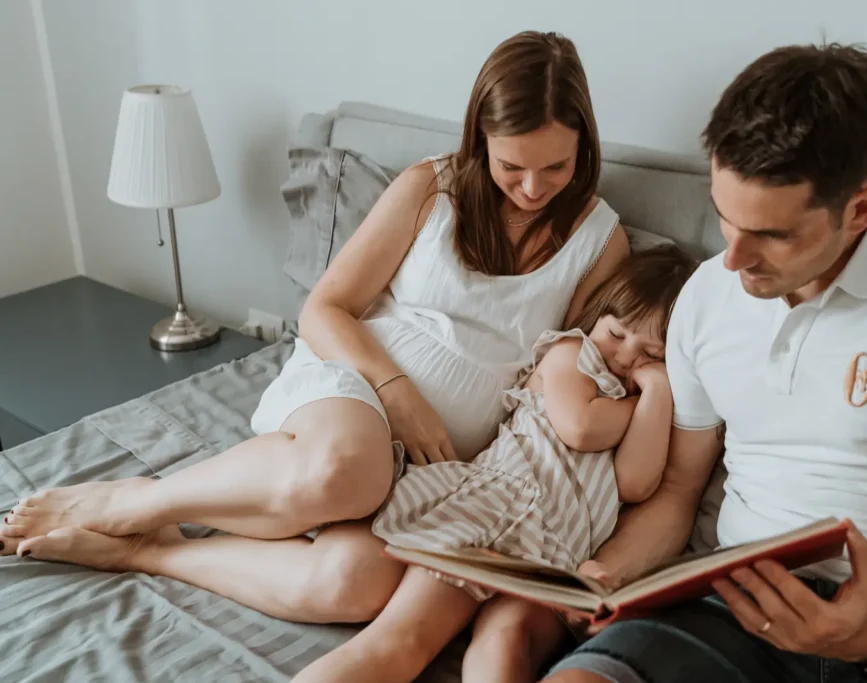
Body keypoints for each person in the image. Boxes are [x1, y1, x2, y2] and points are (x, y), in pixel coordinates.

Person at [0, 28, 631, 647]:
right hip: (352, 385)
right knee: (348, 472)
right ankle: (142, 502)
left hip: (435, 471)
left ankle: (149, 553)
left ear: (585, 147)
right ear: (480, 139)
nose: (530, 188)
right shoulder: (432, 188)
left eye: (556, 166)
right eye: (510, 165)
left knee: (352, 587)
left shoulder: (600, 241)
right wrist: (399, 392)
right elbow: (325, 308)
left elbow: (566, 371)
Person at [544, 43, 867, 683]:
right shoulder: (707, 297)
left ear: (861, 209)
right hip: (738, 615)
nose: (733, 259)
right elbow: (680, 492)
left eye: (772, 235)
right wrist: (608, 575)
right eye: (723, 218)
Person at [297, 245, 695, 683]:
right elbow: (579, 428)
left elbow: (635, 483)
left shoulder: (643, 400)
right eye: (617, 334)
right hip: (500, 511)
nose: (624, 357)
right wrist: (639, 409)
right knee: (402, 643)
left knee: (505, 652)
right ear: (598, 317)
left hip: (552, 549)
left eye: (650, 354)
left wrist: (656, 394)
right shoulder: (573, 354)